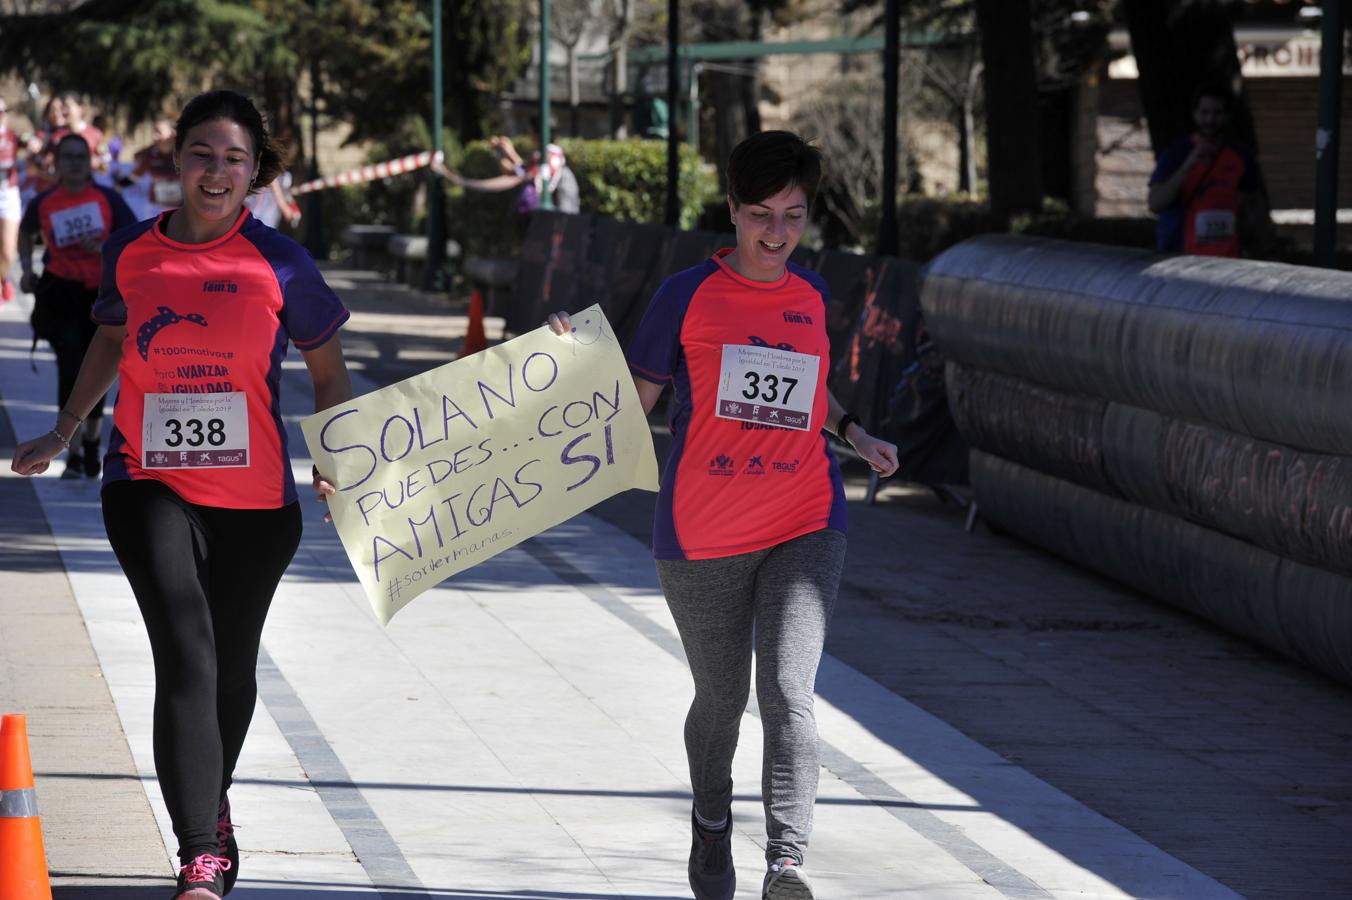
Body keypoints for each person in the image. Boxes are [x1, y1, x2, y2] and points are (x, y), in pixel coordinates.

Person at [11, 89, 354, 900]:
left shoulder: (281, 261)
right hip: (148, 484)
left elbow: (331, 372)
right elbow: (110, 335)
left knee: (231, 671)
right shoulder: (132, 250)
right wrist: (65, 431)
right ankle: (200, 851)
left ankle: (212, 806)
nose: (217, 172)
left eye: (236, 159)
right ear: (176, 159)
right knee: (187, 654)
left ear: (256, 172)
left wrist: (342, 461)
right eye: (203, 153)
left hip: (259, 505)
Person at [548, 131, 898, 900]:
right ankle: (712, 822)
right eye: (761, 214)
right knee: (722, 699)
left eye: (795, 216)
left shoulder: (808, 298)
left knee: (787, 688)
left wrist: (855, 434)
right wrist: (565, 362)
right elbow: (629, 403)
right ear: (733, 210)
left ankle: (787, 864)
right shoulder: (685, 295)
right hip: (700, 533)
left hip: (807, 516)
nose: (776, 234)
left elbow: (813, 393)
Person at [18, 133, 136, 478]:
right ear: (57, 162)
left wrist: (105, 247)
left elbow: (134, 239)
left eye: (80, 157)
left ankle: (90, 446)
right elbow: (25, 232)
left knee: (94, 371)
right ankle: (70, 449)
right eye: (67, 157)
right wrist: (26, 269)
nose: (74, 164)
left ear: (90, 163)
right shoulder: (44, 201)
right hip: (60, 295)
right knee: (70, 367)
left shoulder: (107, 199)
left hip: (100, 298)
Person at [1147, 83, 1260, 257]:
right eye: (1204, 113)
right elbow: (1155, 204)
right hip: (1181, 257)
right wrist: (1188, 166)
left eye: (1217, 113)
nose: (1210, 120)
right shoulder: (1176, 154)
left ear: (1227, 116)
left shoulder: (1240, 156)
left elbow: (1252, 205)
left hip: (1228, 259)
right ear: (1194, 114)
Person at [441, 141, 580, 216]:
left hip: (558, 223)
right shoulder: (548, 160)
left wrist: (509, 153)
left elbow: (519, 174)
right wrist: (503, 153)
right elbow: (520, 171)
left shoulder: (550, 160)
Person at [131, 116, 183, 219]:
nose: (155, 136)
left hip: (181, 210)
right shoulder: (150, 154)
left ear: (173, 133)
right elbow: (135, 176)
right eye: (154, 132)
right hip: (156, 210)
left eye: (158, 132)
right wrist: (118, 185)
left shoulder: (185, 153)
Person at [0, 97, 22, 301]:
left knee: (8, 252)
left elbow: (35, 141)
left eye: (2, 112)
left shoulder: (13, 136)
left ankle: (3, 278)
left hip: (7, 195)